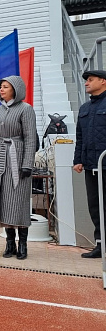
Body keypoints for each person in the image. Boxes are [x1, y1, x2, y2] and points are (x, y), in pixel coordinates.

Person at [0, 76, 38, 260]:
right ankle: (9, 243)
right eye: (0, 87)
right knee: (3, 201)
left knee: (18, 202)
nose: (1, 89)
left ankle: (23, 245)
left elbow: (31, 138)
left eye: (5, 87)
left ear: (16, 89)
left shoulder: (26, 109)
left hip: (17, 159)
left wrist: (27, 164)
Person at [73, 69, 106, 259]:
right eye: (86, 80)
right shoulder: (85, 109)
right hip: (91, 166)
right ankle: (100, 245)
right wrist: (78, 160)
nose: (86, 83)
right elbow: (80, 137)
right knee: (95, 206)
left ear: (103, 81)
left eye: (91, 80)